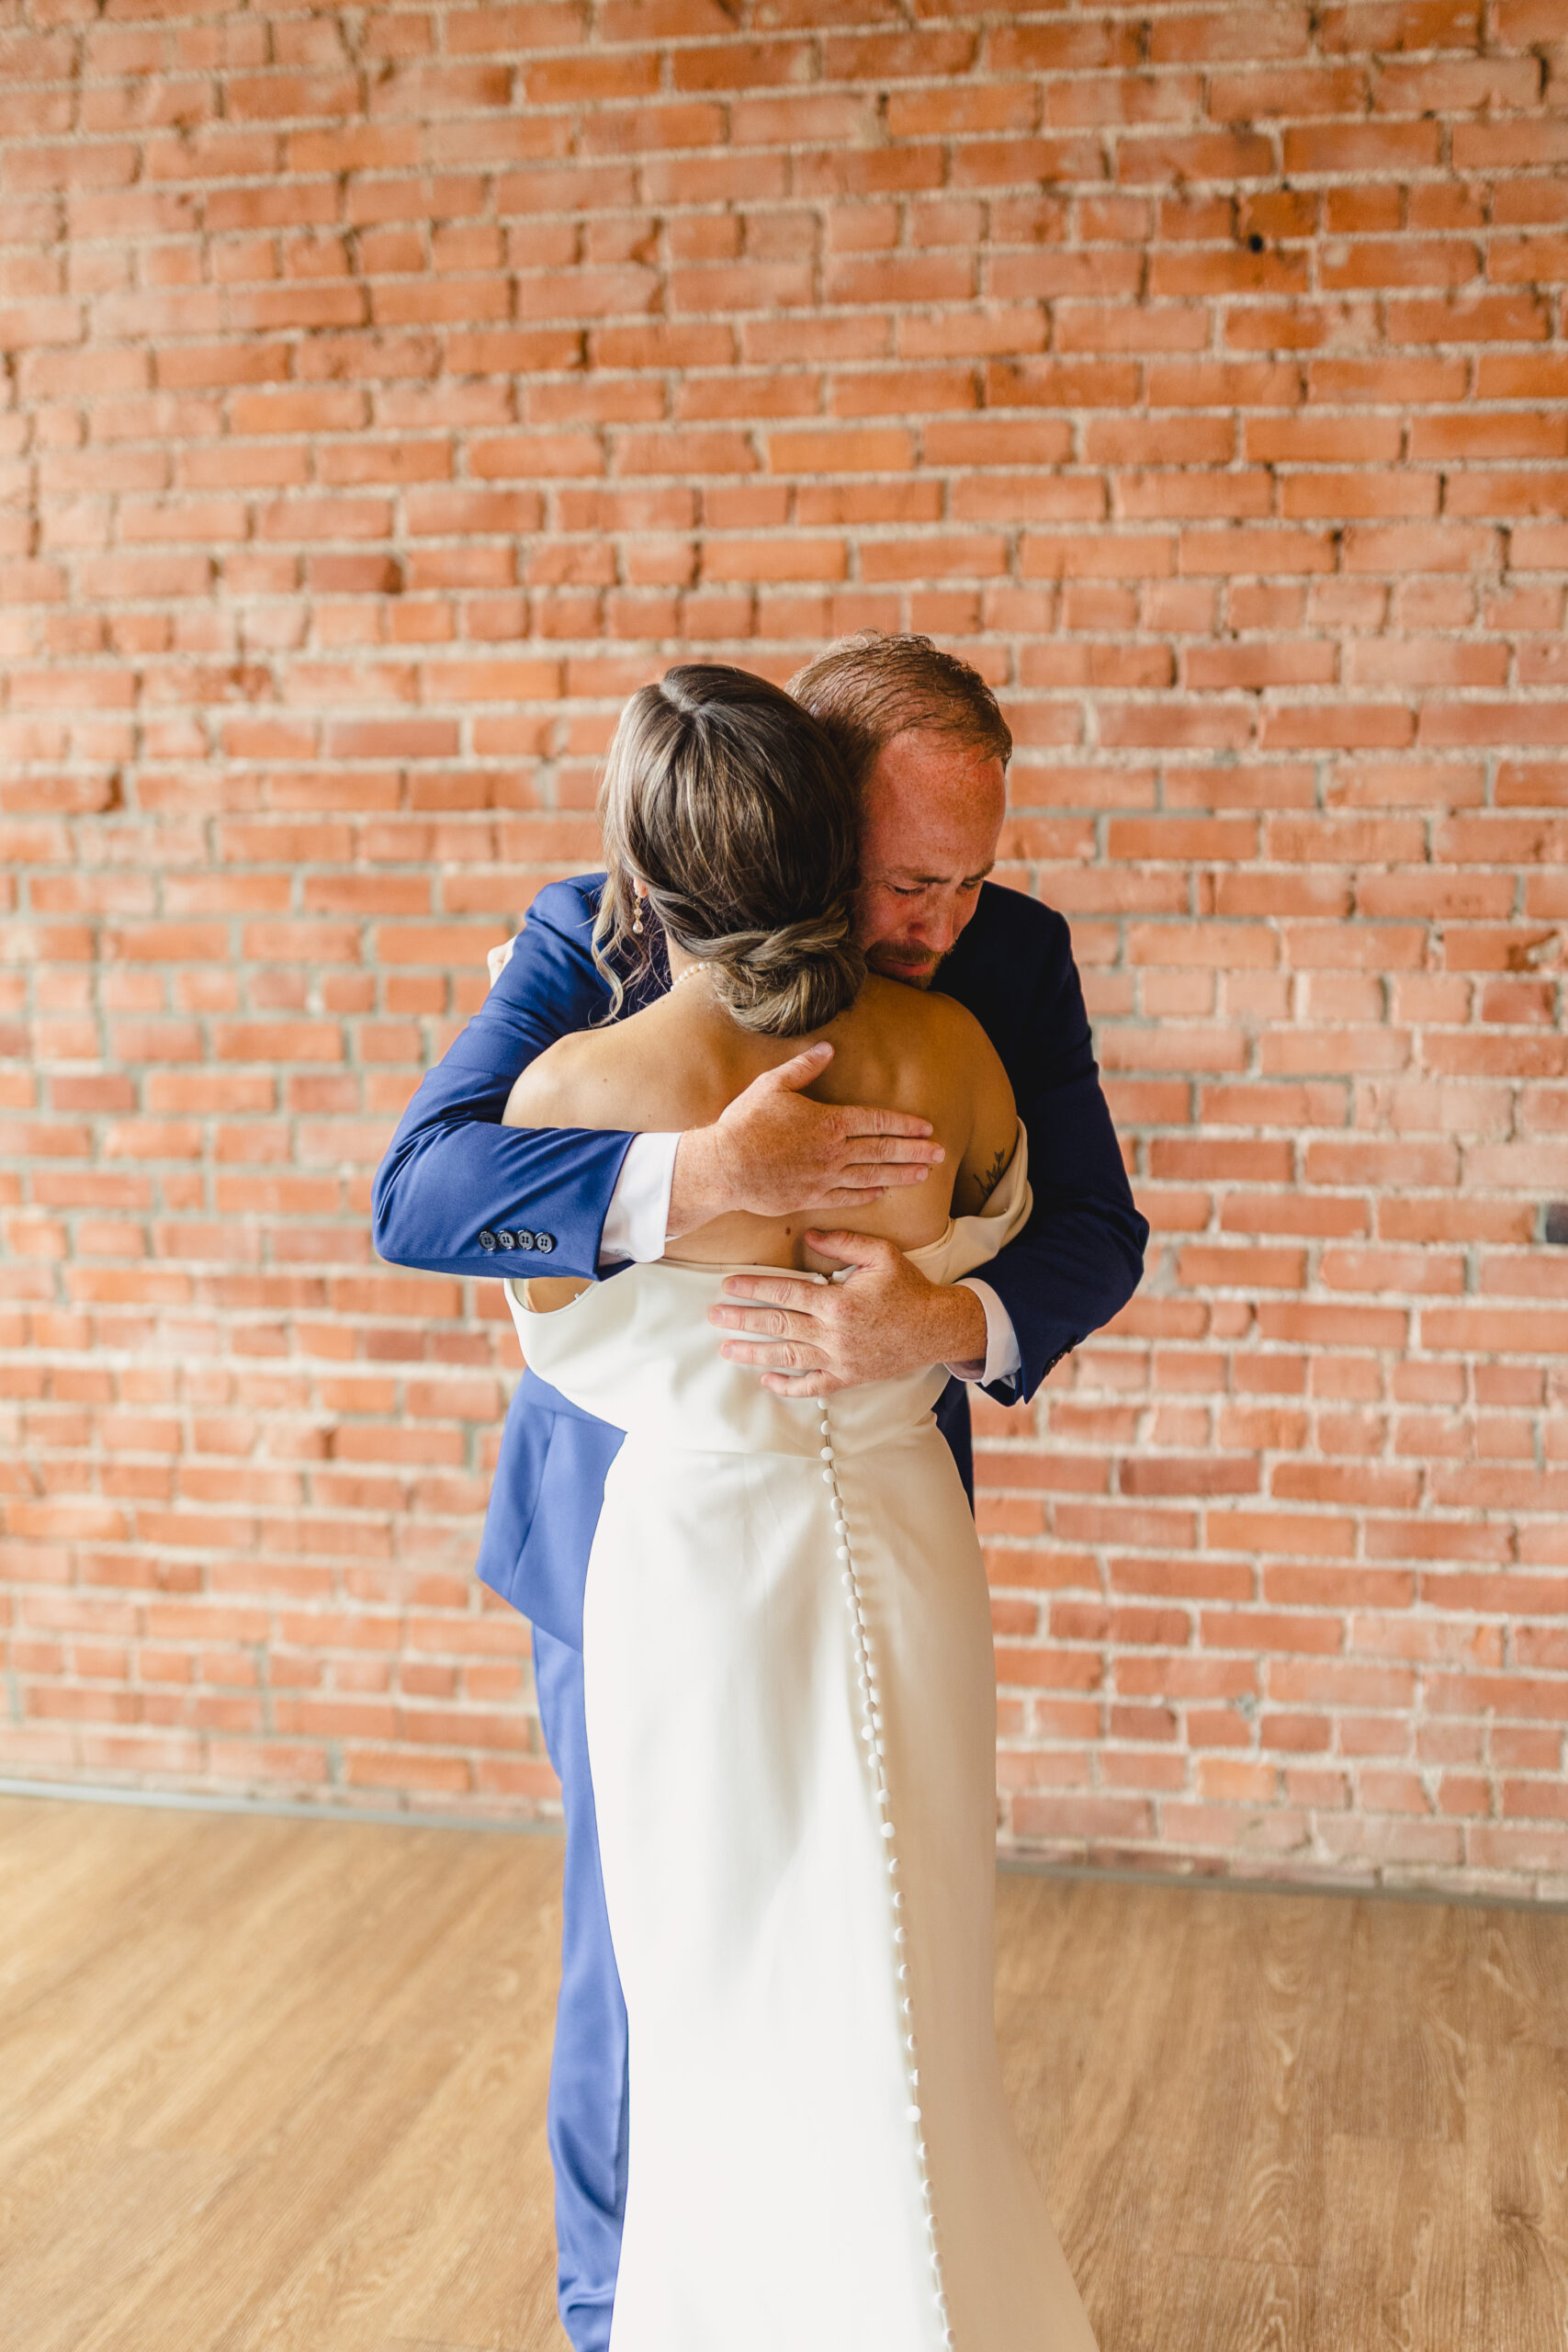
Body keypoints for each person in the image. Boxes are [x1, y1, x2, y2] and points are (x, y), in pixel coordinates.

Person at [371, 635, 1147, 2350]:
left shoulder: (1009, 964)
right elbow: (421, 1191)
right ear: (812, 812)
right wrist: (692, 1172)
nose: (942, 920)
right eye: (908, 877)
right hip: (617, 1526)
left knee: (882, 1926)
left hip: (876, 1489)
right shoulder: (597, 927)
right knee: (644, 1960)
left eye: (974, 878)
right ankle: (615, 2315)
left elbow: (1099, 1229)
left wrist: (946, 1316)